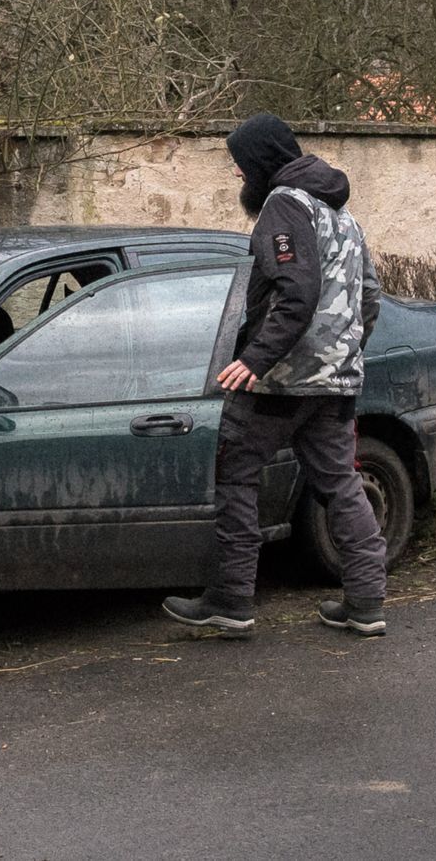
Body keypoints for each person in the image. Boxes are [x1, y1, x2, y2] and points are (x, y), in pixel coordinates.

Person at [163, 113, 389, 637]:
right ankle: (366, 602)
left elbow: (296, 291)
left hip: (281, 382)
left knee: (237, 474)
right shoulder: (344, 217)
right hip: (334, 381)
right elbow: (369, 298)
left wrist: (256, 358)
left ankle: (231, 600)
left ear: (262, 162)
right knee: (340, 485)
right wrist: (341, 354)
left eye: (241, 166)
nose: (239, 176)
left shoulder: (283, 205)